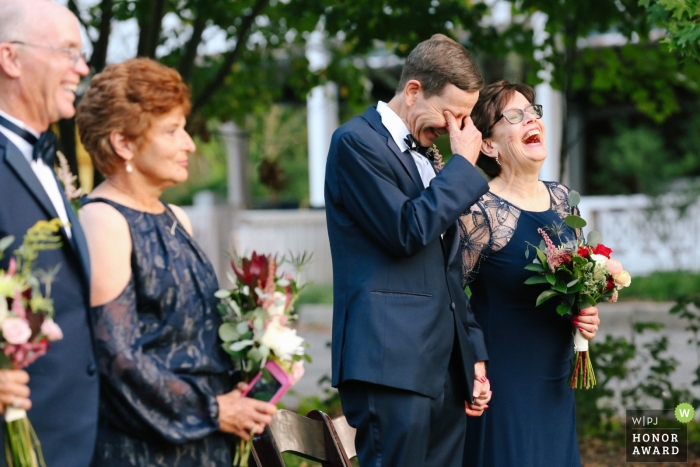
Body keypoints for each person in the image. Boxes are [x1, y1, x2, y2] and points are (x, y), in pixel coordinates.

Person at [75, 58, 276, 466]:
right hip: (148, 450)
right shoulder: (103, 220)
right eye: (172, 131)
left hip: (207, 441)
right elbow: (117, 358)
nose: (189, 144)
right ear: (123, 143)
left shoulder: (175, 217)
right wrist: (215, 409)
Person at [325, 34, 492, 467]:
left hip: (444, 367)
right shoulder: (355, 143)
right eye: (451, 113)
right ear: (414, 90)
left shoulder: (431, 158)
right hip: (390, 360)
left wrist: (471, 354)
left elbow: (446, 268)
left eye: (466, 118)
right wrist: (461, 167)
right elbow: (406, 229)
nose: (457, 128)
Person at [459, 80, 600, 467]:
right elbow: (449, 295)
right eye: (515, 115)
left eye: (533, 111)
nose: (532, 119)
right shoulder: (480, 211)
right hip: (503, 383)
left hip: (555, 378)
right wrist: (471, 364)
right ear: (490, 145)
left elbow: (576, 287)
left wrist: (587, 312)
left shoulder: (562, 200)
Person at [0, 0, 98, 464]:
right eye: (68, 51)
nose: (82, 67)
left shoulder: (48, 162)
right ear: (11, 58)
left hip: (74, 437)